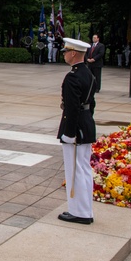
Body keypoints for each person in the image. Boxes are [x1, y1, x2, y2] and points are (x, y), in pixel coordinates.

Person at [57, 37, 97, 225]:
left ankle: (79, 212)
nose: (64, 54)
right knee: (83, 169)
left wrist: (70, 133)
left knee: (75, 170)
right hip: (86, 125)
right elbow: (91, 103)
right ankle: (85, 209)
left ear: (73, 53)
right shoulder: (88, 74)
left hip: (76, 129)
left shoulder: (72, 77)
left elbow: (72, 108)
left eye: (66, 51)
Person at [86, 34, 105, 113]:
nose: (93, 39)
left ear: (98, 38)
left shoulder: (101, 46)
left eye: (95, 38)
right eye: (93, 37)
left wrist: (94, 59)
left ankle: (97, 88)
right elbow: (86, 53)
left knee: (97, 76)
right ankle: (90, 86)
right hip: (90, 63)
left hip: (97, 63)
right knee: (89, 76)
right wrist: (87, 59)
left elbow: (101, 54)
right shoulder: (90, 45)